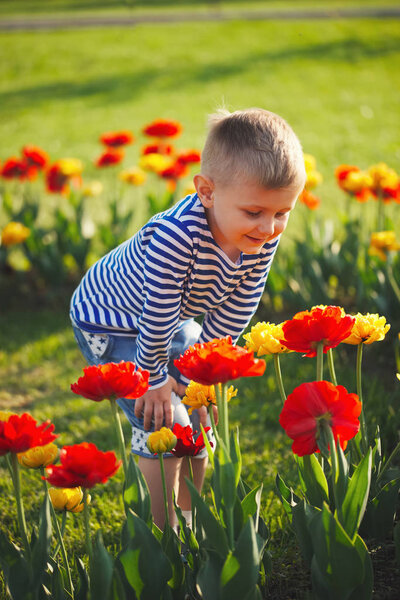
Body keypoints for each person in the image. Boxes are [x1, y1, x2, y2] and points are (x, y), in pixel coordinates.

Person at [70, 107, 306, 529]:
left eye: (282, 213)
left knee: (198, 415)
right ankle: (161, 532)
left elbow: (237, 305)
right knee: (167, 424)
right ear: (207, 191)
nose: (270, 227)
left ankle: (189, 519)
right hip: (110, 320)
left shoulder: (259, 236)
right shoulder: (176, 237)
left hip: (170, 319)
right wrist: (155, 380)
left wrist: (201, 374)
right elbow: (155, 312)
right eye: (255, 212)